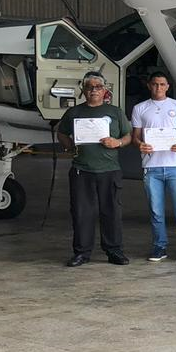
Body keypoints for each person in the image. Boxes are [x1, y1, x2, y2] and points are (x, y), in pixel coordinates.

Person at [57, 70, 131, 266]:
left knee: (111, 212)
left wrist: (117, 143)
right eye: (89, 87)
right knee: (82, 212)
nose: (94, 90)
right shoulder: (74, 112)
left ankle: (114, 250)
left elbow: (128, 135)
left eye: (98, 87)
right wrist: (69, 146)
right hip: (82, 170)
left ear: (105, 90)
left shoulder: (115, 112)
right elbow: (62, 132)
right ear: (83, 90)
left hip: (109, 169)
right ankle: (82, 252)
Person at [130, 70, 176, 263]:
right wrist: (139, 144)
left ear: (168, 86)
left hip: (175, 165)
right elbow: (136, 136)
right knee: (156, 210)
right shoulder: (140, 108)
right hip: (151, 167)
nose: (158, 87)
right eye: (155, 84)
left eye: (162, 84)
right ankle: (159, 246)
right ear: (149, 85)